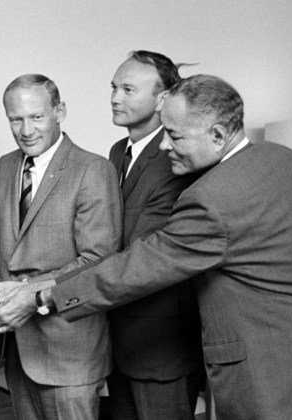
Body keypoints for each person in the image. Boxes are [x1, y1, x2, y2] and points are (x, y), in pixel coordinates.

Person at [0, 74, 292, 419]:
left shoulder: (211, 199)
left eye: (174, 135)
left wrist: (41, 295)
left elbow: (135, 269)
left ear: (217, 135)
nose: (165, 145)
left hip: (261, 375)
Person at [0, 74, 123, 419]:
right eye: (15, 119)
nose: (26, 129)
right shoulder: (7, 166)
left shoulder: (93, 169)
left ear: (59, 112)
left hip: (69, 353)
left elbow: (98, 260)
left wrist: (26, 293)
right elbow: (9, 243)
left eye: (36, 117)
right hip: (20, 350)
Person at [106, 51, 203, 419]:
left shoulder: (175, 156)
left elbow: (138, 249)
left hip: (161, 352)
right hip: (118, 343)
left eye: (128, 90)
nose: (115, 98)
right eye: (114, 87)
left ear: (163, 99)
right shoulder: (117, 152)